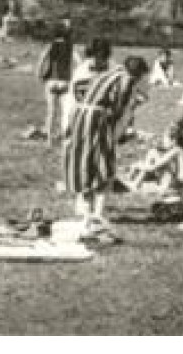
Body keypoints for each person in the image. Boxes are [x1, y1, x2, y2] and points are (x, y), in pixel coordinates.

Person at [63, 55, 148, 234]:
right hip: (97, 120)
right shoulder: (127, 82)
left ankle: (85, 211)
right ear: (138, 75)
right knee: (103, 164)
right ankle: (97, 214)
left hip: (79, 116)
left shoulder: (107, 74)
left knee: (83, 162)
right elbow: (121, 113)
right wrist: (115, 136)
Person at [36, 22, 74, 143]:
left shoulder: (50, 46)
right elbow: (79, 60)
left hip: (51, 81)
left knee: (51, 111)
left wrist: (38, 73)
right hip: (65, 82)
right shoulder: (69, 47)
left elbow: (42, 59)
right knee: (65, 111)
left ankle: (49, 139)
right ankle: (65, 138)